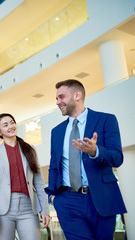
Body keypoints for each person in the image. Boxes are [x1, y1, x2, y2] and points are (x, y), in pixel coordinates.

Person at [45, 79, 127, 239]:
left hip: (101, 199)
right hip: (67, 201)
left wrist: (96, 151)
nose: (57, 102)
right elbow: (54, 166)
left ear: (77, 95)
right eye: (56, 98)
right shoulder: (57, 131)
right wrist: (53, 197)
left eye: (61, 97)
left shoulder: (106, 120)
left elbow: (117, 158)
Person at [0, 113, 50, 240]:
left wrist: (45, 210)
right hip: (3, 209)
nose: (11, 126)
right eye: (5, 125)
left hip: (28, 208)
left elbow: (38, 182)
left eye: (12, 122)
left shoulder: (30, 149)